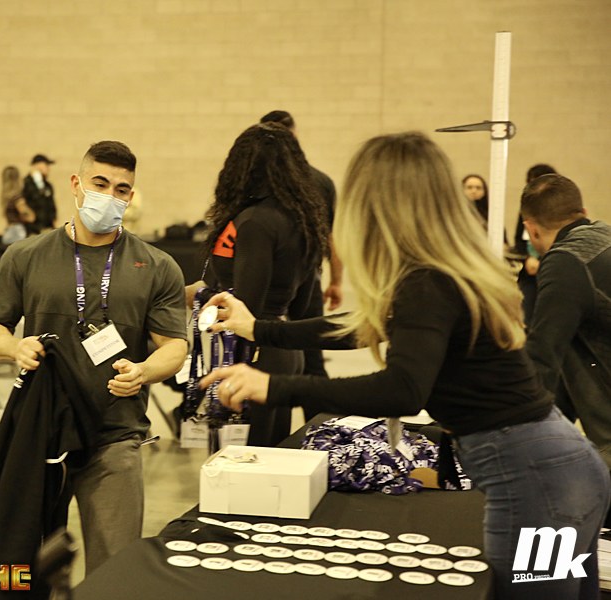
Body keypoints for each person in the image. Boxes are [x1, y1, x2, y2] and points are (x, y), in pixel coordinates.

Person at [200, 132, 610, 600]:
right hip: (558, 471)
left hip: (538, 482)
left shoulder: (427, 281)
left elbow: (401, 390)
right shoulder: (440, 271)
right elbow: (357, 327)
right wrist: (259, 328)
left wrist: (274, 386)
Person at [0, 141, 187, 573]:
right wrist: (15, 346)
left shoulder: (156, 265)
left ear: (131, 196)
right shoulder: (26, 255)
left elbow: (175, 347)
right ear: (76, 184)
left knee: (114, 569)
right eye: (100, 184)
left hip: (115, 434)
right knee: (23, 562)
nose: (109, 196)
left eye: (121, 190)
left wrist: (143, 371)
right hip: (39, 433)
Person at [188, 121, 328, 447]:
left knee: (240, 462)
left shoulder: (254, 222)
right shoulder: (301, 219)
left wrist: (201, 296)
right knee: (271, 457)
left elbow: (245, 307)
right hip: (285, 350)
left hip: (253, 354)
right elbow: (303, 304)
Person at [522, 174, 611, 469]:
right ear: (583, 213)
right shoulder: (604, 235)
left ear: (531, 229)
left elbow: (544, 353)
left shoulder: (565, 261)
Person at [260, 109, 344, 406]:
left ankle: (316, 427)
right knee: (308, 359)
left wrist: (336, 280)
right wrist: (336, 281)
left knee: (297, 356)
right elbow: (331, 237)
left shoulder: (313, 181)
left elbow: (331, 236)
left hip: (280, 284)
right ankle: (315, 427)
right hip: (300, 280)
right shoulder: (318, 180)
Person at [515, 163, 558, 325]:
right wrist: (527, 259)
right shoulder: (525, 210)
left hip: (551, 269)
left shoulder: (559, 210)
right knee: (525, 316)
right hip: (529, 273)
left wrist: (542, 261)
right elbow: (519, 240)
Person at [22, 153, 57, 234]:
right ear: (38, 165)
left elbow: (50, 206)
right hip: (32, 229)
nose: (48, 169)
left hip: (48, 228)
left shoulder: (47, 186)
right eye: (46, 165)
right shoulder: (25, 184)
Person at [0, 165, 35, 244]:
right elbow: (29, 217)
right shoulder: (17, 198)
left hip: (8, 231)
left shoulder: (6, 197)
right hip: (17, 232)